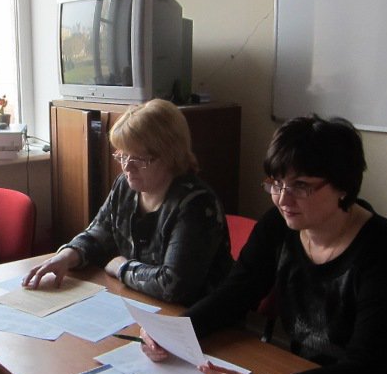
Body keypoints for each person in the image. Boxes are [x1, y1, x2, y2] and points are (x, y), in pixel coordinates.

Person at [141, 115, 387, 374]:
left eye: (301, 186)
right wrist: (176, 332)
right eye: (275, 183)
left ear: (343, 185)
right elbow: (237, 291)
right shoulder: (279, 226)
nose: (283, 199)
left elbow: (367, 368)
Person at [23, 99, 232, 306]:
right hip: (141, 303)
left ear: (170, 156)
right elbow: (98, 234)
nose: (127, 167)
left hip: (198, 316)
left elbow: (174, 286)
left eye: (139, 159)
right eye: (122, 156)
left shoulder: (196, 204)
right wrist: (67, 256)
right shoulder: (125, 186)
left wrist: (123, 268)